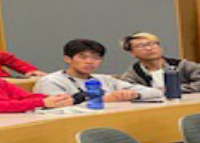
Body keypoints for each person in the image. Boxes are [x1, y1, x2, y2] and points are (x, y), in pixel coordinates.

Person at [33, 39, 165, 103]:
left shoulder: (103, 79)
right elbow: (58, 107)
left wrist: (134, 94)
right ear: (67, 59)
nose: (90, 61)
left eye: (96, 58)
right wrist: (106, 99)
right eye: (83, 57)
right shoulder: (51, 81)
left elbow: (154, 92)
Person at [118, 32, 200, 94]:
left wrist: (175, 90)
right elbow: (130, 92)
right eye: (141, 46)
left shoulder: (184, 65)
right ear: (132, 53)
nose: (149, 48)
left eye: (153, 44)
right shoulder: (132, 75)